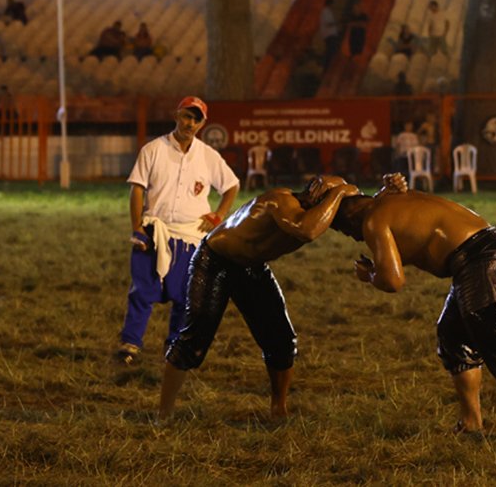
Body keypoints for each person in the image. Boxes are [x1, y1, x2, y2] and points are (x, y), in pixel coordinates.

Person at [159, 174, 378, 421]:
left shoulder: (317, 215)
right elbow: (305, 230)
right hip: (214, 260)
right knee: (194, 340)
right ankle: (163, 414)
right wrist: (338, 194)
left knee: (281, 341)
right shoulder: (279, 201)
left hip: (251, 266)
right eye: (335, 203)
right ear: (319, 197)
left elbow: (366, 214)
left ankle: (278, 409)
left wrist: (391, 191)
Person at [332, 184, 496, 439]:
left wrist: (370, 275)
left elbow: (392, 280)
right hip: (475, 255)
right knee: (453, 336)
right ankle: (471, 423)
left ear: (352, 219)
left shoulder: (373, 220)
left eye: (348, 232)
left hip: (480, 256)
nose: (355, 238)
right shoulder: (387, 197)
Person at [116, 96, 241, 367]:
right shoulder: (153, 150)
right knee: (142, 290)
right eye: (187, 116)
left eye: (197, 119)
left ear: (203, 123)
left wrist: (219, 215)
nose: (191, 123)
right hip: (155, 231)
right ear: (176, 115)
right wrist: (137, 228)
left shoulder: (208, 156)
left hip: (191, 237)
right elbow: (137, 188)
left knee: (186, 296)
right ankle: (130, 344)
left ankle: (174, 347)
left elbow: (231, 186)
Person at [319, 0, 340, 69]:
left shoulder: (328, 12)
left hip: (330, 34)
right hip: (329, 34)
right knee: (330, 51)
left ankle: (325, 64)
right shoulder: (325, 11)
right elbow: (328, 24)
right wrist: (337, 23)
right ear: (330, 4)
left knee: (330, 51)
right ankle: (324, 65)